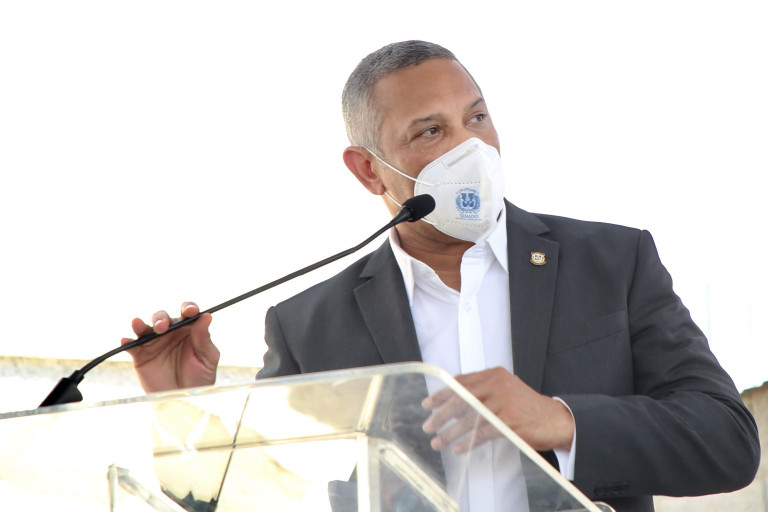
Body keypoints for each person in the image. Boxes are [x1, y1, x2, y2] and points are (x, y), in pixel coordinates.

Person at [123, 41, 760, 512]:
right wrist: (178, 415)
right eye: (431, 131)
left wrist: (561, 420)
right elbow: (251, 494)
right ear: (368, 170)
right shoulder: (309, 326)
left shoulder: (613, 262)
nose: (471, 149)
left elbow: (728, 443)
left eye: (476, 119)